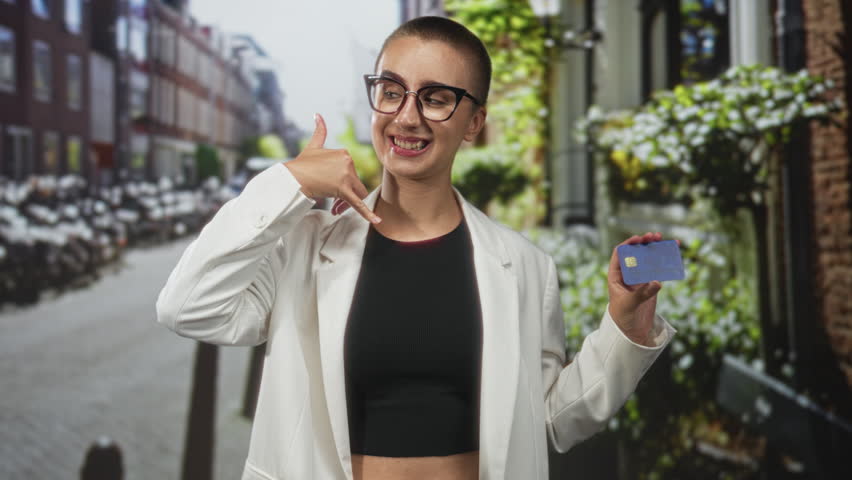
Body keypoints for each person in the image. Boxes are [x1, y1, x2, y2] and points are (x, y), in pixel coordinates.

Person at [156, 16, 675, 480]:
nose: (406, 117)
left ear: (474, 122)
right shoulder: (305, 247)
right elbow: (189, 307)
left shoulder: (523, 267)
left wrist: (625, 331)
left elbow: (551, 420)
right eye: (391, 89)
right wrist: (289, 181)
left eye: (436, 97)